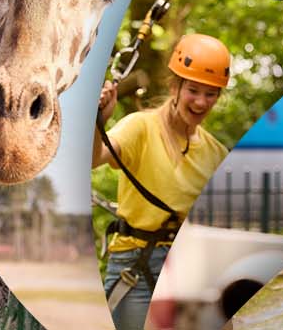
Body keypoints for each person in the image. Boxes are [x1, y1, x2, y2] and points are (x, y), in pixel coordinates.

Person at [93, 34, 231, 330]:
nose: (200, 102)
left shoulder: (216, 153)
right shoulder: (142, 127)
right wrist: (98, 123)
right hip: (137, 264)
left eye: (211, 94)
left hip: (190, 269)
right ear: (175, 86)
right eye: (193, 90)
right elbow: (96, 158)